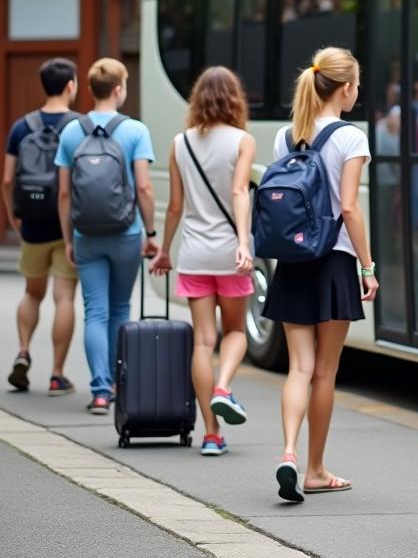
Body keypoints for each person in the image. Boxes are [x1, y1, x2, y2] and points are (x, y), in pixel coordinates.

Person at [263, 47, 379, 503]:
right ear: (347, 88)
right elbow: (349, 208)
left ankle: (288, 452)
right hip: (333, 262)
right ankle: (314, 469)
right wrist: (367, 266)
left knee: (298, 367)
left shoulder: (285, 136)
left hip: (293, 261)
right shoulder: (351, 139)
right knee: (325, 373)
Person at [150, 67, 256, 457]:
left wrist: (163, 250)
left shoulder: (180, 143)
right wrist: (244, 243)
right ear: (234, 98)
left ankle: (211, 435)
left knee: (203, 340)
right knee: (237, 333)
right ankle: (224, 388)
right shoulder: (243, 141)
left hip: (194, 254)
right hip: (230, 253)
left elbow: (176, 205)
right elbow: (239, 191)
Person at [55, 58, 158, 416]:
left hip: (86, 233)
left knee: (94, 312)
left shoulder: (71, 132)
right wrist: (150, 232)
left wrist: (69, 238)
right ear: (119, 90)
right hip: (126, 232)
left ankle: (99, 391)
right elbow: (144, 187)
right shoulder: (135, 131)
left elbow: (65, 194)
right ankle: (117, 383)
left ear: (89, 90)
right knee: (119, 309)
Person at [4, 58, 80, 395]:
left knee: (32, 292)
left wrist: (13, 216)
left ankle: (23, 352)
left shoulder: (22, 127)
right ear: (70, 86)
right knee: (64, 297)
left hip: (32, 223)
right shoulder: (79, 126)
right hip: (67, 226)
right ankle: (57, 373)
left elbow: (7, 179)